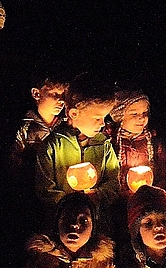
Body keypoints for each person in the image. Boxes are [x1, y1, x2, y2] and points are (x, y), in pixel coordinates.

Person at [35, 72, 119, 233]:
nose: (102, 124)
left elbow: (114, 182)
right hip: (61, 226)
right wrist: (71, 203)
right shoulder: (53, 146)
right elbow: (44, 189)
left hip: (98, 225)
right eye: (97, 118)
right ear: (74, 113)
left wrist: (97, 196)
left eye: (104, 118)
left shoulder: (103, 144)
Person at [108, 89, 166, 197]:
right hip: (118, 199)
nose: (142, 117)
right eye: (134, 113)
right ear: (119, 116)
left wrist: (156, 192)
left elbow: (163, 172)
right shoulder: (110, 142)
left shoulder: (153, 142)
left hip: (148, 197)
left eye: (145, 113)